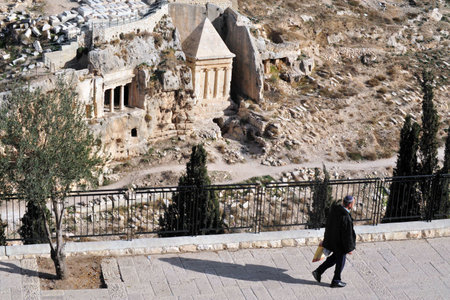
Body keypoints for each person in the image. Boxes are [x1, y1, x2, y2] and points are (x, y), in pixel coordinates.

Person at [312, 195, 356, 288]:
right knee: (341, 261)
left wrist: (326, 240)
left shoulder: (335, 210)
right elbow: (347, 235)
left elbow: (329, 226)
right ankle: (336, 280)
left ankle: (318, 271)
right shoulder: (345, 217)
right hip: (340, 244)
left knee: (334, 259)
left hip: (333, 240)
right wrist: (349, 248)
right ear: (350, 204)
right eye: (353, 203)